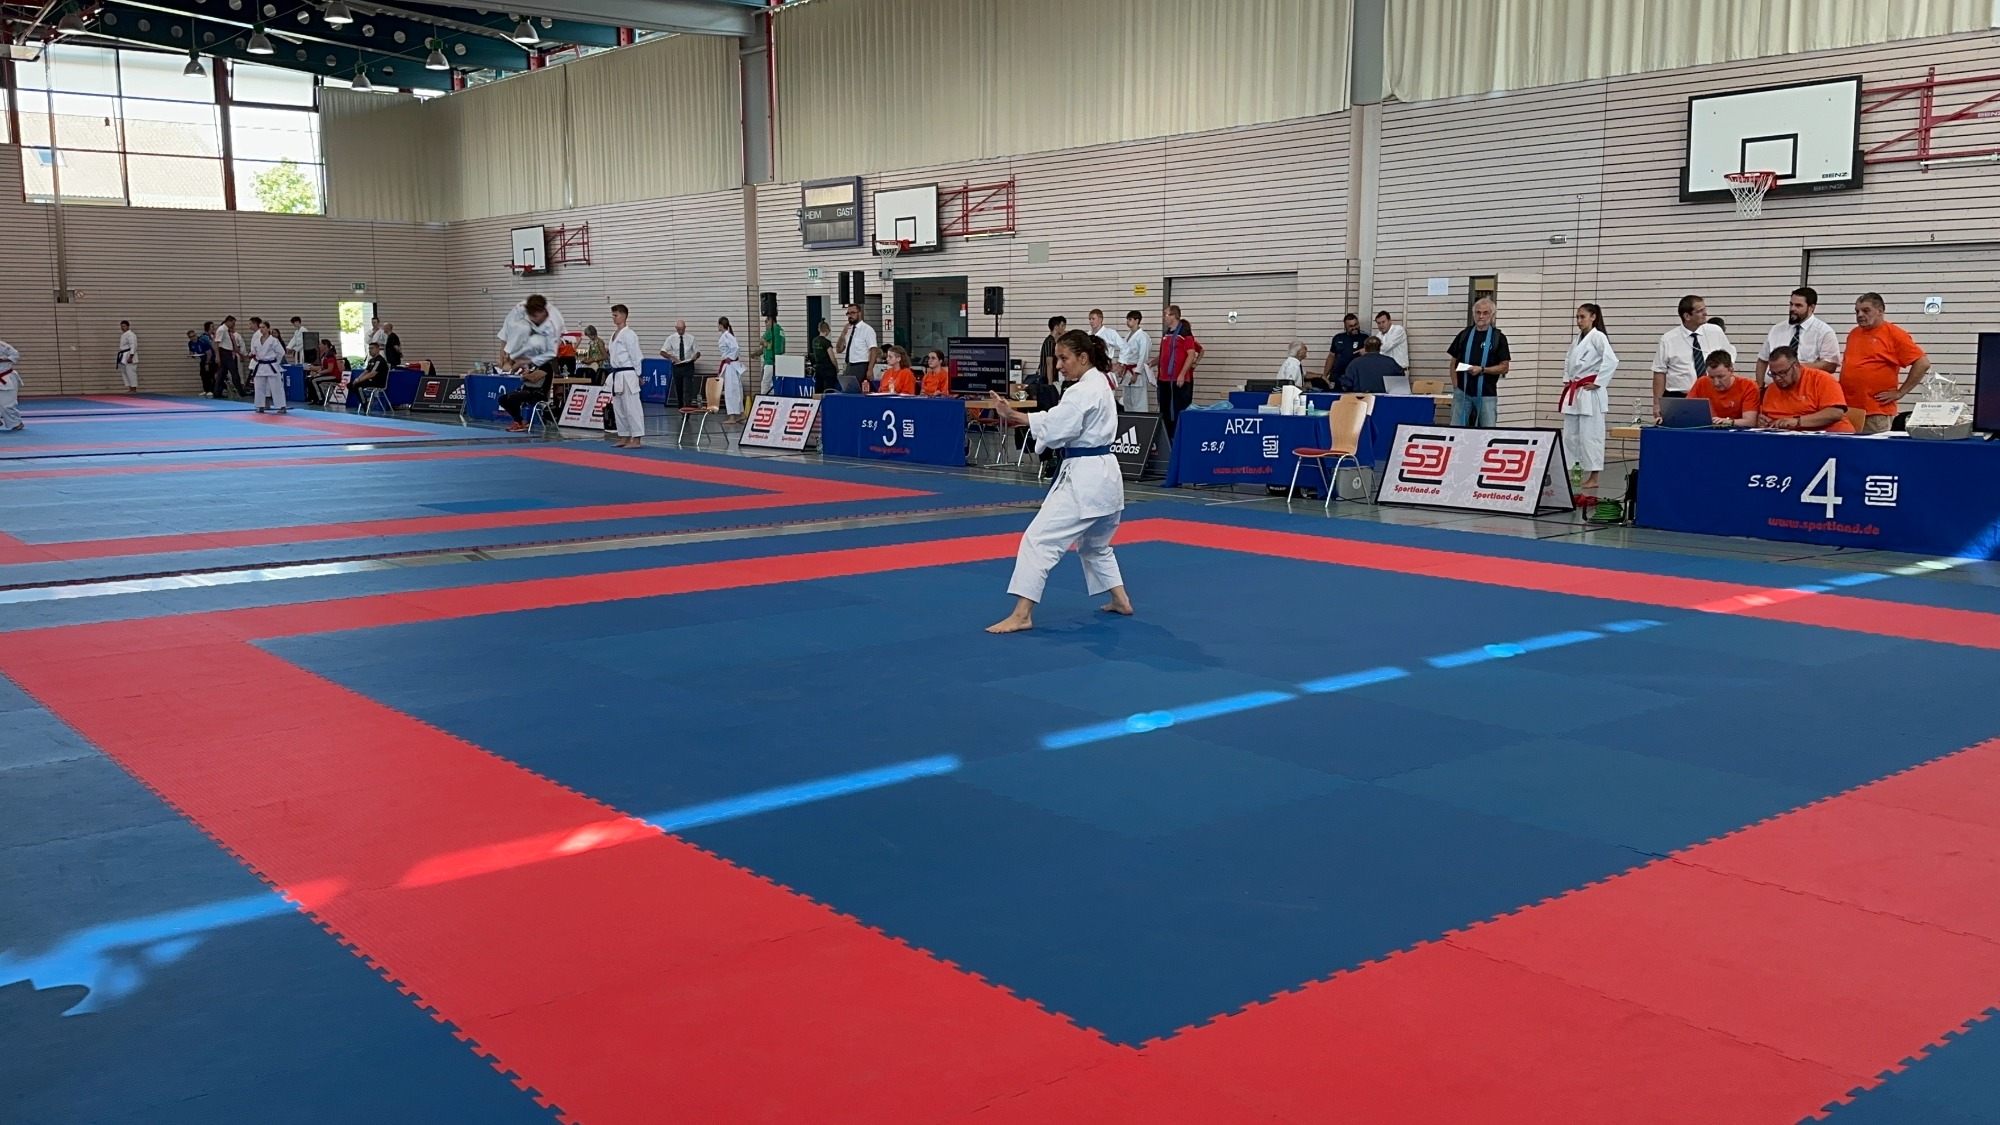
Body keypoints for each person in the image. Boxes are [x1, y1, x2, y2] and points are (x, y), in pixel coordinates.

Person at [982, 329, 1133, 634]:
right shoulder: (1103, 382)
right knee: (1095, 545)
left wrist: (1014, 414)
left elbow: (1056, 428)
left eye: (1064, 358)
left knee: (1038, 541)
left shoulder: (1081, 391)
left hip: (1084, 479)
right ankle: (1121, 600)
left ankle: (1022, 614)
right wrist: (1017, 414)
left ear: (1083, 357)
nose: (1059, 365)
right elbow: (1057, 422)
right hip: (1107, 476)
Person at [1840, 293, 1930, 434]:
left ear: (1880, 311)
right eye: (1857, 311)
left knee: (1874, 447)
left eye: (1866, 310)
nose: (1860, 315)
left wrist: (1900, 392)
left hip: (1876, 411)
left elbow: (1922, 363)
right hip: (1850, 409)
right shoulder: (1854, 333)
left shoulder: (1894, 334)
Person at [1560, 303, 1618, 496]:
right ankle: (1574, 472)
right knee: (1571, 436)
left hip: (1590, 393)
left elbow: (1611, 360)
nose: (1579, 321)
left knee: (1591, 435)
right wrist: (1567, 379)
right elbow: (1568, 360)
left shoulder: (1598, 337)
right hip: (1575, 391)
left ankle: (1594, 477)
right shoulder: (1577, 339)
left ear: (1593, 317)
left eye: (1582, 317)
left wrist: (1599, 382)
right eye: (1577, 317)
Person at [1650, 294, 1733, 419]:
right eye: (1700, 311)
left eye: (1705, 309)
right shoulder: (1668, 339)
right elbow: (1659, 372)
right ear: (1687, 316)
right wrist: (1657, 404)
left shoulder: (1715, 331)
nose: (1705, 313)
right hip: (1680, 397)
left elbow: (1728, 362)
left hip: (1713, 395)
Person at [497, 294, 566, 431]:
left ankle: (520, 422)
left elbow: (534, 377)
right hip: (527, 390)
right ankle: (519, 421)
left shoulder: (547, 364)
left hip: (538, 393)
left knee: (513, 398)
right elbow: (528, 374)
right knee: (503, 399)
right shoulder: (534, 363)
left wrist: (526, 375)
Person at [1750, 346, 1853, 432]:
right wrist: (1762, 421)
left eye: (1782, 373)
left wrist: (1797, 421)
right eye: (1773, 374)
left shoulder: (1821, 379)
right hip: (1788, 439)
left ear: (1796, 366)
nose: (1777, 378)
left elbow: (1835, 413)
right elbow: (1764, 416)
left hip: (1830, 437)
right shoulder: (1771, 389)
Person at [1446, 298, 1510, 426]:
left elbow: (1504, 367)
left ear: (1492, 315)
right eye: (1478, 312)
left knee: (1487, 430)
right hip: (1463, 392)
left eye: (1485, 313)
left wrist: (1483, 370)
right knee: (1456, 429)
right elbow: (1453, 362)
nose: (1481, 316)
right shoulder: (1464, 335)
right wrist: (1456, 386)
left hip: (1487, 394)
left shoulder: (1498, 338)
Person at [1756, 286, 1840, 384]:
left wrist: (1794, 367)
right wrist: (1760, 387)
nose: (1792, 309)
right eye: (1791, 304)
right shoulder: (1777, 329)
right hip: (1774, 388)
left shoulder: (1824, 332)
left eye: (1798, 305)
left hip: (1806, 388)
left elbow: (1830, 365)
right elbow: (1762, 360)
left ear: (1811, 308)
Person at [1156, 305, 1203, 437]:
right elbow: (1164, 354)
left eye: (1166, 314)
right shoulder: (1167, 333)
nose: (1164, 317)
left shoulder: (1184, 334)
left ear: (1174, 316)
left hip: (1177, 379)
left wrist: (1182, 374)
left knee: (1178, 408)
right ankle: (1167, 436)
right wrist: (1153, 363)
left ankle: (1179, 435)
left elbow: (1191, 354)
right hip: (1164, 378)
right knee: (1165, 408)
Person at [606, 303, 645, 448]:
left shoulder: (629, 334)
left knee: (632, 407)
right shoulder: (614, 335)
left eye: (615, 315)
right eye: (613, 315)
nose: (613, 318)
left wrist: (639, 374)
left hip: (628, 373)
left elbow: (636, 356)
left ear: (624, 316)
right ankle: (624, 436)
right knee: (619, 408)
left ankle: (637, 439)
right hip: (617, 374)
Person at [1688, 352, 1760, 426]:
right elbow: (1687, 410)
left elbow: (1750, 422)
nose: (1716, 383)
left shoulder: (1748, 386)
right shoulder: (1701, 382)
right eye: (1711, 377)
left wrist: (1728, 421)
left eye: (1721, 377)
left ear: (1731, 371)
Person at [836, 304, 878, 394]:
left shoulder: (867, 329)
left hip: (861, 364)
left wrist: (870, 369)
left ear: (859, 313)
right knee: (847, 390)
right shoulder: (849, 330)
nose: (850, 316)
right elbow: (839, 349)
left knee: (857, 390)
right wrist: (843, 334)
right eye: (848, 313)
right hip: (849, 365)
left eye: (853, 313)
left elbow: (874, 350)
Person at [249, 317, 288, 413]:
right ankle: (260, 406)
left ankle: (282, 406)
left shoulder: (274, 340)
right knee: (259, 387)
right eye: (260, 327)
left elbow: (281, 352)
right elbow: (254, 352)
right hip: (260, 365)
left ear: (268, 329)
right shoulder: (257, 340)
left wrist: (275, 362)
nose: (261, 329)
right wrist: (254, 356)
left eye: (263, 327)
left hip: (272, 365)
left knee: (276, 387)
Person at [1320, 313, 1368, 392]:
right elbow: (1331, 356)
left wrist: (1366, 352)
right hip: (1337, 377)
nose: (1354, 328)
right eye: (1351, 326)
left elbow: (1372, 356)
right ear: (1345, 327)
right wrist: (1325, 375)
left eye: (1356, 324)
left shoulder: (1365, 338)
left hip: (1355, 379)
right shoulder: (1338, 338)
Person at [660, 319, 702, 407]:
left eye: (682, 329)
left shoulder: (691, 338)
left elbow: (697, 352)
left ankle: (687, 409)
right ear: (676, 328)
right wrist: (671, 357)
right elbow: (662, 351)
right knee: (678, 389)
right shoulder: (671, 338)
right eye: (679, 329)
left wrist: (694, 358)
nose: (681, 331)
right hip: (677, 366)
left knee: (688, 389)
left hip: (688, 365)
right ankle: (681, 407)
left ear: (685, 328)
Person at [1117, 310, 1151, 413]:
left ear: (1137, 320)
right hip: (1127, 370)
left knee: (1138, 401)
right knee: (1127, 401)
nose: (1127, 322)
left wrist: (1136, 373)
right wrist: (1121, 366)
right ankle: (1129, 420)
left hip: (1136, 371)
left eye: (1130, 319)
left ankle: (1141, 421)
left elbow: (1143, 357)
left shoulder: (1143, 337)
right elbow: (1124, 352)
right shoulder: (1127, 335)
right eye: (1127, 319)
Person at [716, 316, 746, 422]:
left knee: (731, 391)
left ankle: (732, 416)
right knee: (736, 390)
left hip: (731, 366)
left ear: (721, 325)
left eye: (718, 325)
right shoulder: (728, 335)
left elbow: (736, 348)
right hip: (732, 365)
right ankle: (741, 414)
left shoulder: (726, 336)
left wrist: (730, 357)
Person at [1036, 316, 1068, 389]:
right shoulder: (1050, 342)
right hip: (1046, 379)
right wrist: (1050, 384)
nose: (1064, 328)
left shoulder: (1053, 341)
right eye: (1062, 326)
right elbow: (1049, 363)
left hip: (1050, 378)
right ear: (1056, 327)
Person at [215, 316, 244, 397]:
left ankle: (217, 392)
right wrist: (217, 356)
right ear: (228, 321)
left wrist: (241, 354)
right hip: (224, 353)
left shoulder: (227, 330)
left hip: (228, 352)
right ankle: (241, 391)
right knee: (234, 372)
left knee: (221, 374)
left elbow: (232, 344)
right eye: (233, 323)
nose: (234, 325)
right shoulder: (222, 329)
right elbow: (216, 343)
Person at [311, 338, 344, 404]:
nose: (319, 346)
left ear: (325, 345)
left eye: (320, 344)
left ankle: (321, 399)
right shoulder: (324, 355)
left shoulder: (330, 355)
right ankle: (313, 398)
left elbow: (329, 369)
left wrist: (318, 373)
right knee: (309, 379)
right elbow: (323, 367)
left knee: (314, 380)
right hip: (326, 375)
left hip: (333, 376)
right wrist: (316, 372)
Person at [809, 320, 838, 394]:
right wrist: (836, 367)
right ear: (827, 330)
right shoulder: (826, 342)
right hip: (828, 368)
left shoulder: (814, 341)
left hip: (818, 367)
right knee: (828, 389)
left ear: (819, 329)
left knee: (818, 388)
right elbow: (832, 358)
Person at [760, 313, 786, 394]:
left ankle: (763, 399)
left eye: (766, 321)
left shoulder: (772, 330)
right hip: (779, 362)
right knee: (774, 385)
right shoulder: (781, 330)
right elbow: (783, 349)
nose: (765, 324)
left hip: (770, 361)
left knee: (765, 383)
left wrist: (766, 344)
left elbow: (761, 340)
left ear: (771, 320)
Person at [0, 339, 22, 431]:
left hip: (6, 377)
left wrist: (3, 360)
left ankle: (16, 422)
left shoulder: (1, 345)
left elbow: (16, 354)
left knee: (6, 405)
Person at [192, 322, 218, 397]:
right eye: (212, 326)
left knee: (212, 375)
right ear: (208, 328)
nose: (214, 328)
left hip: (213, 359)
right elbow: (208, 349)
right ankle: (206, 389)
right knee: (204, 375)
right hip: (206, 359)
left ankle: (212, 390)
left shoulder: (213, 336)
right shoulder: (204, 337)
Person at [115, 320, 139, 393]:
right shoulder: (124, 335)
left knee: (131, 372)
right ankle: (130, 388)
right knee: (125, 372)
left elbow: (133, 346)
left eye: (124, 326)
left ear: (128, 326)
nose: (123, 328)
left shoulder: (130, 334)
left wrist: (130, 357)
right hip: (124, 355)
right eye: (121, 326)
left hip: (129, 354)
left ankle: (133, 389)